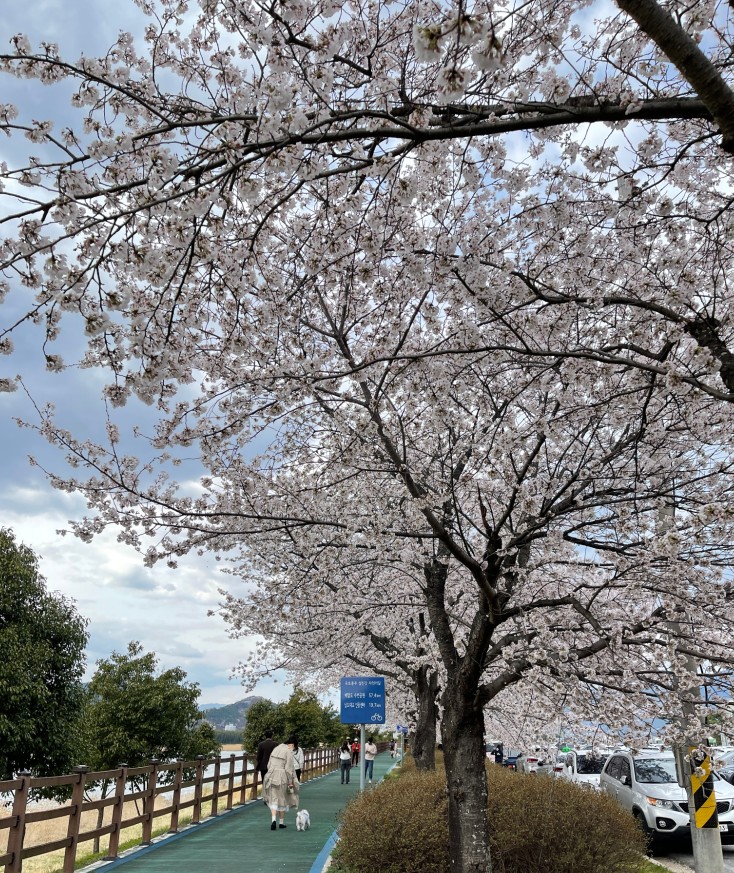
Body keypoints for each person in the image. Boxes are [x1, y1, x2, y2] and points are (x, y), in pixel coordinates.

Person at [263, 735, 300, 830]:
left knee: (273, 798)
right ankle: (282, 822)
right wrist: (291, 782)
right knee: (283, 798)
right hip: (282, 776)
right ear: (292, 745)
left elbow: (269, 764)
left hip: (271, 775)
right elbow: (289, 769)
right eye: (294, 747)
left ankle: (273, 820)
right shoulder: (288, 752)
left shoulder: (276, 748)